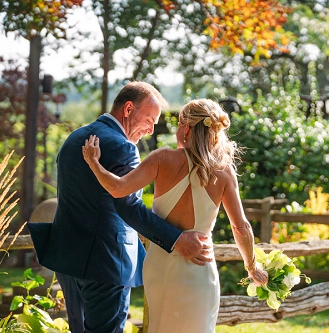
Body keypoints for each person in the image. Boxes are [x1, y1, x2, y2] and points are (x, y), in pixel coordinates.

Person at [28, 82, 212, 333]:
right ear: (128, 109)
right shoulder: (123, 147)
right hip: (105, 263)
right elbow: (129, 207)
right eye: (149, 119)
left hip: (68, 260)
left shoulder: (73, 139)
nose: (150, 130)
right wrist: (177, 239)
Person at [82, 98, 269, 333]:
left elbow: (119, 188)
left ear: (187, 128)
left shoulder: (162, 159)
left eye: (179, 124)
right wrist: (252, 266)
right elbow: (241, 228)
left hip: (159, 265)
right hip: (199, 267)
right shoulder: (224, 172)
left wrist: (94, 163)